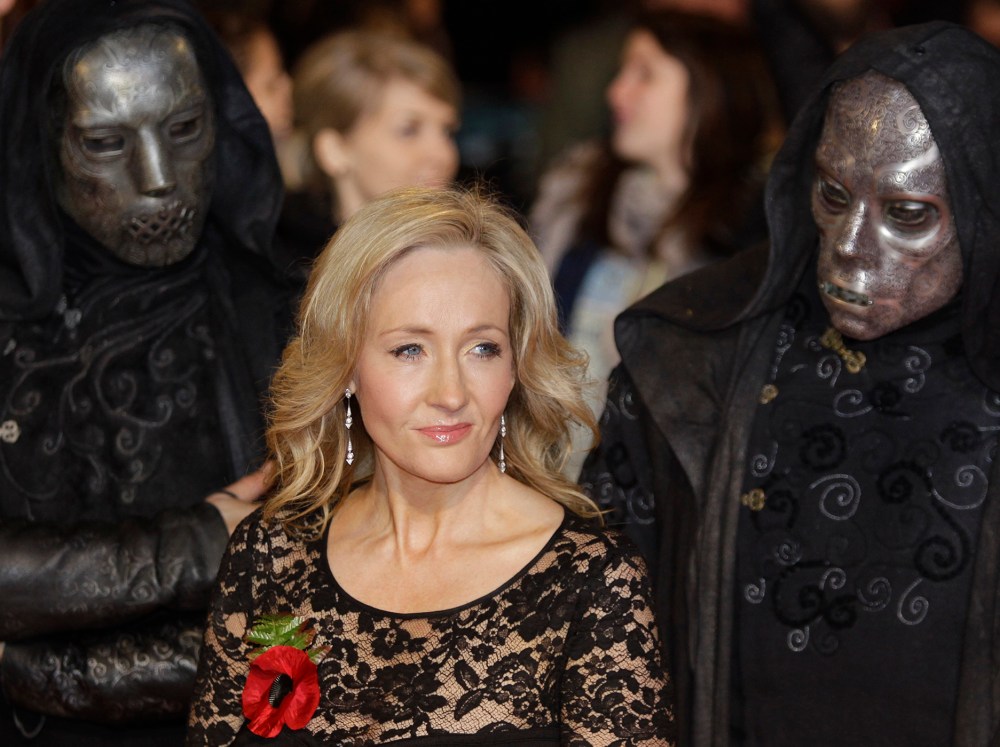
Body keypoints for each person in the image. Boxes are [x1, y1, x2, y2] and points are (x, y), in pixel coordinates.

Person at [580, 20, 1000, 747]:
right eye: (833, 195)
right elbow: (595, 622)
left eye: (907, 215)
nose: (851, 252)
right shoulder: (689, 355)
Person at [187, 186, 675, 745]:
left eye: (482, 348)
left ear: (517, 366)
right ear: (346, 366)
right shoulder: (269, 555)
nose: (450, 393)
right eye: (410, 350)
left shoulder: (592, 583)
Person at [0, 0, 295, 743]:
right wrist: (202, 540)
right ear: (41, 143)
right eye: (104, 141)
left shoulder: (291, 312)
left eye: (185, 129)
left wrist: (34, 665)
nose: (159, 178)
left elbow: (307, 630)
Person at [530, 9, 781, 468]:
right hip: (550, 474)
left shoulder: (754, 238)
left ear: (708, 89)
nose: (616, 91)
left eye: (643, 74)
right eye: (622, 72)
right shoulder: (577, 200)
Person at [276, 29, 461, 277]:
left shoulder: (464, 254)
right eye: (408, 130)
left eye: (447, 132)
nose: (442, 154)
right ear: (335, 150)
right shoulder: (285, 274)